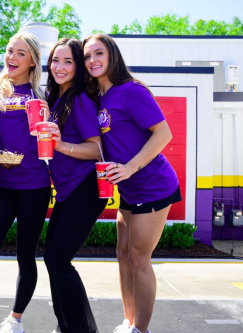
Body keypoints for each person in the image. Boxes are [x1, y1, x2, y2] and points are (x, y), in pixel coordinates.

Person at [83, 34, 181, 333]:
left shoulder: (131, 91)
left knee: (139, 258)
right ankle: (128, 322)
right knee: (123, 255)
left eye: (98, 53)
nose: (92, 61)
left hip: (153, 185)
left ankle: (141, 329)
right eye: (87, 56)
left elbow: (163, 134)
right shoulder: (99, 97)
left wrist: (130, 166)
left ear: (112, 55)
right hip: (128, 189)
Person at [0, 32, 50, 333]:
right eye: (9, 51)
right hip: (2, 183)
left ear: (32, 61)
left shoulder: (43, 95)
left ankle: (15, 320)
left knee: (25, 255)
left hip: (35, 184)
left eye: (20, 53)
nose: (12, 58)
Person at [43, 38, 108, 333]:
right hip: (68, 190)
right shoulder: (58, 99)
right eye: (56, 60)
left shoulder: (79, 99)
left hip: (86, 188)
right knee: (51, 258)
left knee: (58, 260)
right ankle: (65, 324)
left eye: (68, 61)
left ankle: (81, 329)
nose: (60, 66)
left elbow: (96, 149)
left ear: (78, 67)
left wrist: (60, 145)